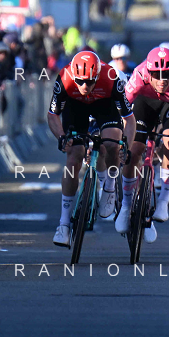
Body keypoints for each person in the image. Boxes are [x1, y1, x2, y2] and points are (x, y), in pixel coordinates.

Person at [46, 50, 132, 248]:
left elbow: (129, 118)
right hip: (76, 108)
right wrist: (61, 137)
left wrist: (126, 143)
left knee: (111, 144)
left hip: (104, 105)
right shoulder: (64, 77)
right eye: (80, 81)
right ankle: (64, 224)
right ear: (73, 76)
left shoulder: (111, 77)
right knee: (74, 156)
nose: (85, 86)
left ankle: (109, 186)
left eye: (90, 81)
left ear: (98, 75)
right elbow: (52, 115)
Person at [117, 47, 169, 240]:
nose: (162, 80)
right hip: (144, 103)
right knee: (135, 149)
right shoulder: (139, 74)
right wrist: (121, 140)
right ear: (148, 72)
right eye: (157, 74)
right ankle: (126, 205)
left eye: (167, 74)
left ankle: (163, 200)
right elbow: (122, 112)